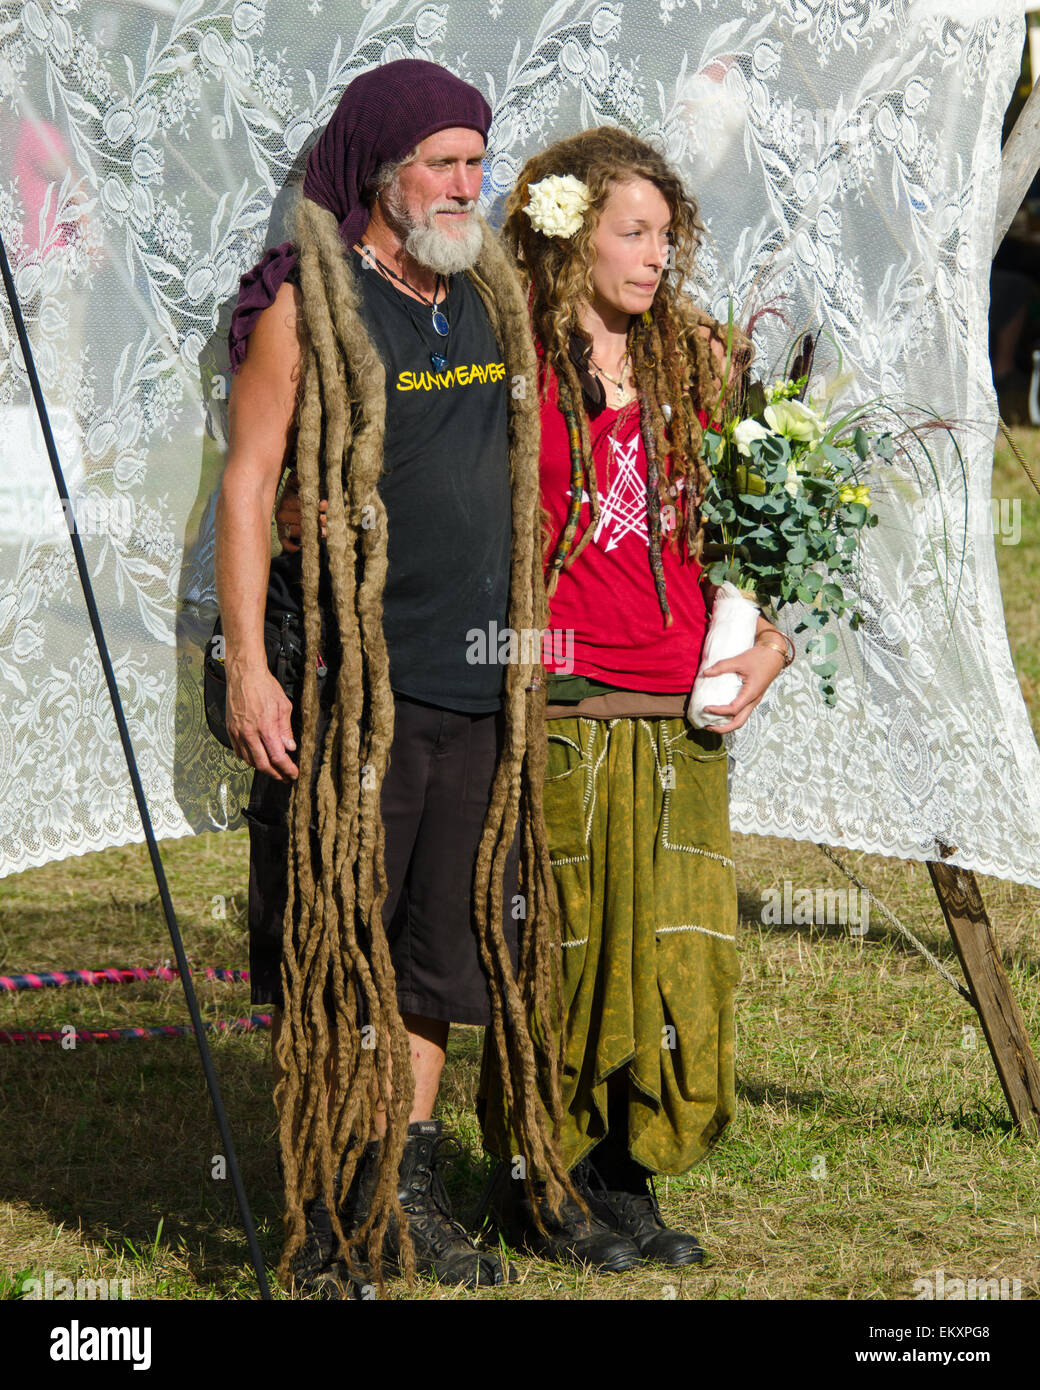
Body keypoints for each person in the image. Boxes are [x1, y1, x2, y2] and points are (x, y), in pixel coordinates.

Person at [216, 59, 568, 1296]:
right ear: (381, 175)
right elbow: (250, 487)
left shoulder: (490, 302)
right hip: (353, 691)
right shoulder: (308, 312)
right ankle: (325, 1210)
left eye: (478, 160)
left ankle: (404, 1182)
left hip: (477, 684)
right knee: (340, 944)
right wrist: (253, 669)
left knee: (434, 953)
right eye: (444, 163)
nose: (469, 185)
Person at [476, 126, 793, 1271]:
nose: (656, 257)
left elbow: (757, 533)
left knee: (672, 954)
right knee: (560, 952)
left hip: (678, 705)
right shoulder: (508, 360)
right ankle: (542, 1180)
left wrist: (771, 644)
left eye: (666, 235)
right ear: (569, 236)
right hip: (565, 703)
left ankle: (626, 1175)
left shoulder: (694, 364)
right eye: (632, 232)